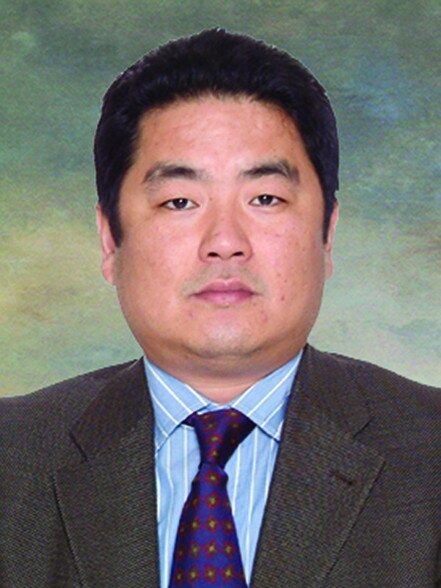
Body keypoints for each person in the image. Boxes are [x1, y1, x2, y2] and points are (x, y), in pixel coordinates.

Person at [1, 28, 440, 588]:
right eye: (180, 201)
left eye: (265, 198)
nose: (225, 242)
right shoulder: (12, 459)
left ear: (327, 234)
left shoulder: (429, 454)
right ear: (110, 240)